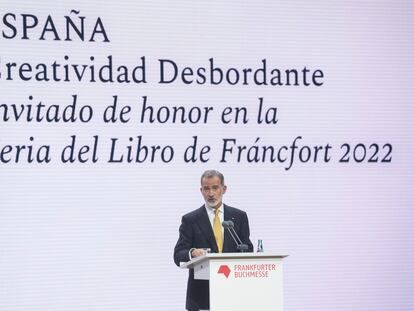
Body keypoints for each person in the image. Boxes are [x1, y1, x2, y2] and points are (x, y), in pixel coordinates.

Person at [173, 170, 253, 311]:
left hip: (234, 292)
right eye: (206, 189)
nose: (211, 193)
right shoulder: (190, 219)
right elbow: (178, 254)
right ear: (201, 191)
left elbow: (248, 248)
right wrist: (193, 253)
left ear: (224, 189)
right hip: (201, 296)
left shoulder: (239, 216)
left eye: (215, 188)